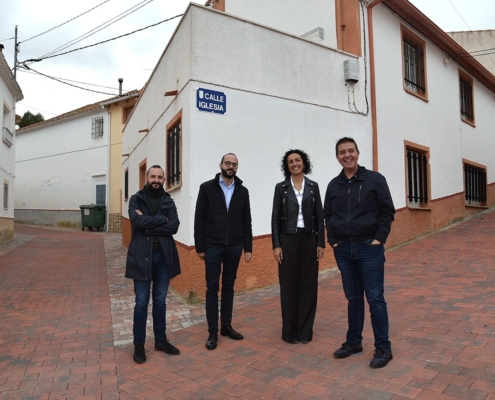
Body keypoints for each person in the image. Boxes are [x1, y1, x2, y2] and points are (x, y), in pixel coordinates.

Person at [323, 137, 395, 368]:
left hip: (368, 248)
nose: (347, 155)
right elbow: (327, 214)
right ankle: (354, 342)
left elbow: (387, 210)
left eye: (351, 151)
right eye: (342, 152)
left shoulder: (374, 179)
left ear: (358, 153)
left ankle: (383, 347)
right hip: (343, 249)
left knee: (375, 299)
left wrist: (378, 239)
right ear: (337, 157)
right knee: (353, 299)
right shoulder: (334, 185)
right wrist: (333, 241)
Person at [194, 153, 253, 351]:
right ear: (220, 164)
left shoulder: (242, 191)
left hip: (235, 246)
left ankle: (226, 326)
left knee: (229, 286)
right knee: (212, 288)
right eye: (228, 163)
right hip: (212, 245)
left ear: (237, 168)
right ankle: (212, 331)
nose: (231, 167)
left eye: (234, 164)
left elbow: (247, 221)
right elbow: (199, 219)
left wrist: (248, 247)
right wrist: (200, 246)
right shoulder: (207, 188)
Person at [125, 165, 181, 364]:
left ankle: (160, 340)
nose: (156, 180)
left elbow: (174, 225)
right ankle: (138, 344)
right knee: (141, 302)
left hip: (163, 258)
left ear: (164, 180)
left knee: (159, 300)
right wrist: (160, 220)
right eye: (153, 176)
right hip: (142, 257)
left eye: (160, 177)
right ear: (146, 178)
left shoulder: (168, 200)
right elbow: (136, 222)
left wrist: (147, 223)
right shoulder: (136, 199)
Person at [271, 149, 325, 344]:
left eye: (298, 160)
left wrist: (321, 242)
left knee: (308, 286)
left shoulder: (314, 186)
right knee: (288, 286)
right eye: (291, 161)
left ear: (304, 163)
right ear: (287, 165)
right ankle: (289, 333)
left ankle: (305, 332)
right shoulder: (281, 188)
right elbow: (275, 218)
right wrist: (276, 245)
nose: (294, 163)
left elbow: (320, 216)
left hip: (310, 239)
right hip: (288, 240)